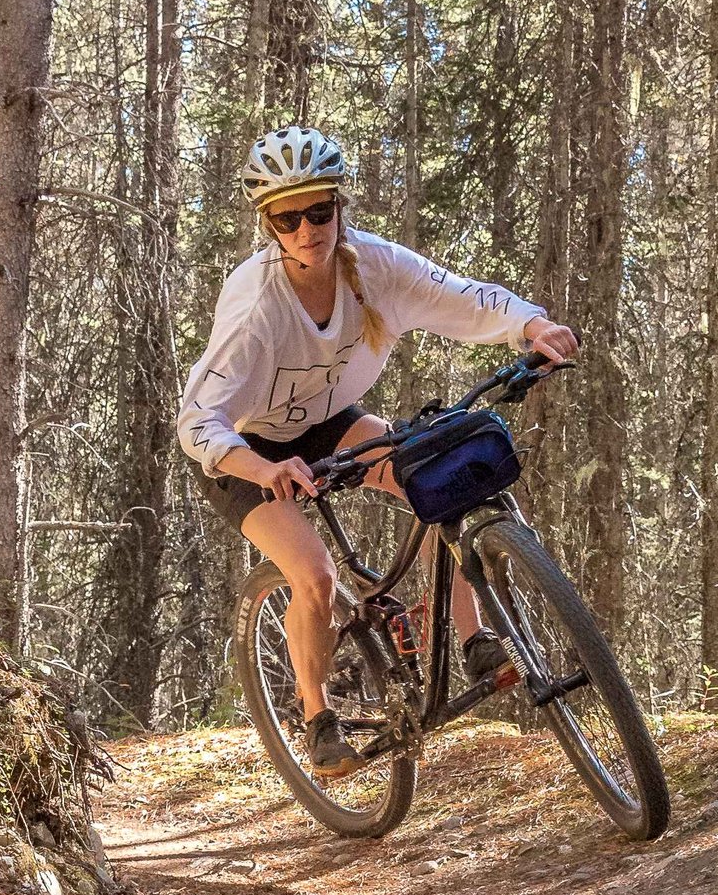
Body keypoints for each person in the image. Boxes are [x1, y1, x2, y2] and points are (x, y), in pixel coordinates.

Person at [178, 126, 579, 769]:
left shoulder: (375, 267)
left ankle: (472, 636)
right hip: (242, 448)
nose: (307, 229)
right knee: (314, 577)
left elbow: (460, 296)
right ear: (267, 224)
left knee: (438, 476)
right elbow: (199, 420)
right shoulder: (256, 305)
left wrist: (532, 325)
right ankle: (317, 717)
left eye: (319, 210)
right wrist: (262, 465)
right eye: (287, 218)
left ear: (340, 205)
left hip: (328, 420)